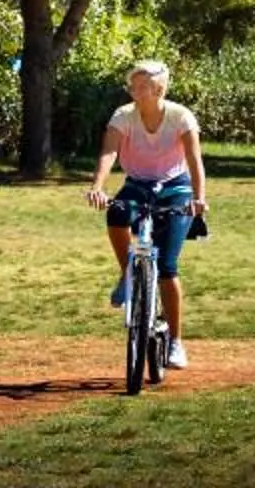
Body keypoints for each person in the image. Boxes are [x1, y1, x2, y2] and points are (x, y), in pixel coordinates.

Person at [84, 57, 209, 369]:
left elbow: (194, 159)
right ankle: (128, 273)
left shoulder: (181, 117)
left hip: (175, 187)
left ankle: (177, 342)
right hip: (138, 184)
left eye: (143, 86)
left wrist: (199, 199)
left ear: (160, 88)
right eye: (133, 86)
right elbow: (109, 152)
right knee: (115, 214)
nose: (135, 91)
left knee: (167, 266)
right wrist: (98, 187)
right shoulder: (123, 116)